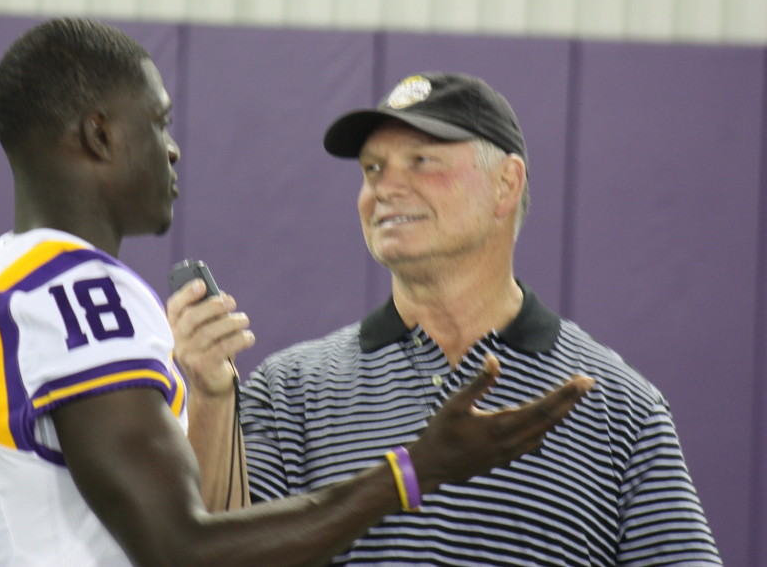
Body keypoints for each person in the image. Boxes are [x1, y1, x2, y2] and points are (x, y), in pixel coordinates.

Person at [0, 20, 593, 566]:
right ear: (100, 133)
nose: (173, 149)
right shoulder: (81, 291)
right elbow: (185, 547)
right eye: (158, 122)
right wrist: (414, 471)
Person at [172, 72, 722, 565]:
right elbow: (216, 558)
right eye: (373, 168)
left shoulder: (620, 407)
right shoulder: (292, 390)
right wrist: (213, 400)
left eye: (422, 161)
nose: (384, 188)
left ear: (506, 184)